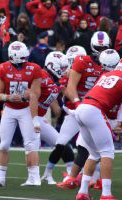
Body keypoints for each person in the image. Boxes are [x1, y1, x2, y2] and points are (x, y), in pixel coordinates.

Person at [56, 49, 120, 190]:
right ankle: (93, 185)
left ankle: (85, 184)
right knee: (98, 149)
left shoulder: (104, 75)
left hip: (95, 112)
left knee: (95, 150)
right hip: (98, 112)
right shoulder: (110, 74)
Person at [0, 41, 42, 187]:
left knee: (30, 144)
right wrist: (8, 97)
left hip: (26, 109)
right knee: (4, 145)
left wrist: (27, 98)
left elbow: (36, 94)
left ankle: (34, 178)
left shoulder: (35, 69)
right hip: (10, 109)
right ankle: (1, 178)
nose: (23, 62)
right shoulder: (3, 68)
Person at [74, 59, 122, 200]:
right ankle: (106, 194)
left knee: (94, 153)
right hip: (94, 110)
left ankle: (82, 192)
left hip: (82, 108)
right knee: (107, 151)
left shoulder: (107, 74)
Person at [39, 51, 75, 184]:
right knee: (30, 146)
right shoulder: (41, 75)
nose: (64, 71)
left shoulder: (54, 79)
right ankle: (34, 177)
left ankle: (51, 174)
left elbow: (55, 94)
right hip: (28, 116)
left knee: (62, 144)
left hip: (39, 117)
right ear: (53, 65)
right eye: (62, 68)